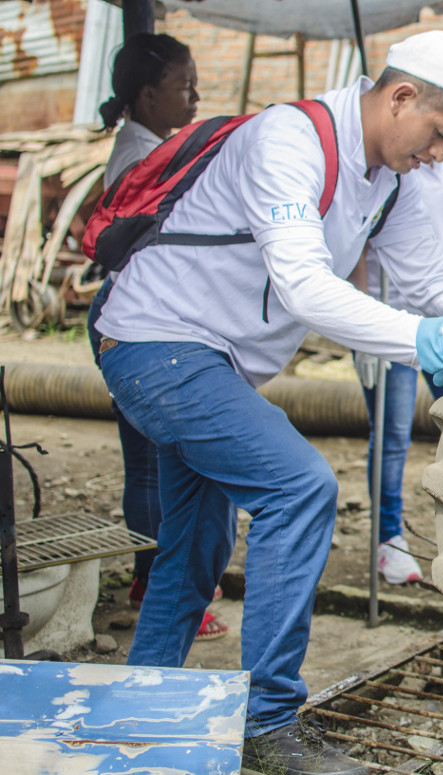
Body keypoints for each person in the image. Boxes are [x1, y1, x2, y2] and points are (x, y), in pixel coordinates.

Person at [93, 30, 443, 775]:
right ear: (400, 97)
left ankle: (145, 699)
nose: (440, 154)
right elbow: (305, 284)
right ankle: (270, 724)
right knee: (298, 486)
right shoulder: (290, 139)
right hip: (156, 344)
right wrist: (435, 343)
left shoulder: (390, 180)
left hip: (214, 362)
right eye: (440, 133)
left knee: (198, 539)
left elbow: (433, 283)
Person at [86, 32, 228, 641]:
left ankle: (160, 578)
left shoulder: (146, 146)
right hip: (134, 319)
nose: (194, 97)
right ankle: (154, 580)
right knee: (151, 465)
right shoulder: (140, 158)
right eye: (183, 85)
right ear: (147, 95)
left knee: (153, 461)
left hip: (133, 314)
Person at [355, 148, 443, 585]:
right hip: (396, 320)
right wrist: (364, 315)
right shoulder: (393, 157)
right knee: (392, 434)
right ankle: (389, 539)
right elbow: (359, 235)